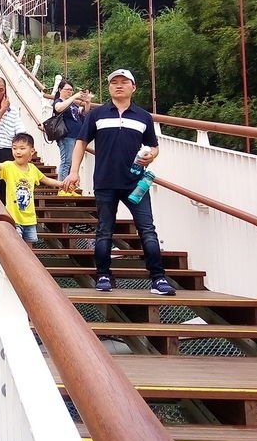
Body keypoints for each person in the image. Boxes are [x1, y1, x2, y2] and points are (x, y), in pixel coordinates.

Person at [62, 68, 175, 296]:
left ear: (133, 87)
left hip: (136, 182)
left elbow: (153, 146)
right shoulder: (97, 114)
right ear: (109, 87)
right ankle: (103, 275)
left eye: (124, 82)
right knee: (105, 230)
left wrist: (152, 155)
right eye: (114, 82)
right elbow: (81, 142)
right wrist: (73, 172)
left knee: (147, 230)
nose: (119, 85)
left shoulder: (144, 116)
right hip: (105, 180)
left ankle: (158, 278)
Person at [0, 133, 61, 243]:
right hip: (14, 217)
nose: (18, 151)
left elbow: (46, 180)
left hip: (30, 219)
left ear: (32, 151)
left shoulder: (32, 169)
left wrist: (62, 184)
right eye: (14, 148)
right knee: (16, 244)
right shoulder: (9, 166)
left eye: (22, 148)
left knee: (29, 247)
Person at [50, 79, 93, 181]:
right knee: (66, 162)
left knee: (73, 164)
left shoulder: (73, 104)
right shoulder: (59, 101)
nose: (70, 92)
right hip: (66, 136)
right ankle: (62, 188)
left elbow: (84, 115)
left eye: (71, 90)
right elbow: (58, 108)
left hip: (76, 136)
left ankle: (69, 187)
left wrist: (87, 102)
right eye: (67, 89)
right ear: (60, 90)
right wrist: (74, 97)